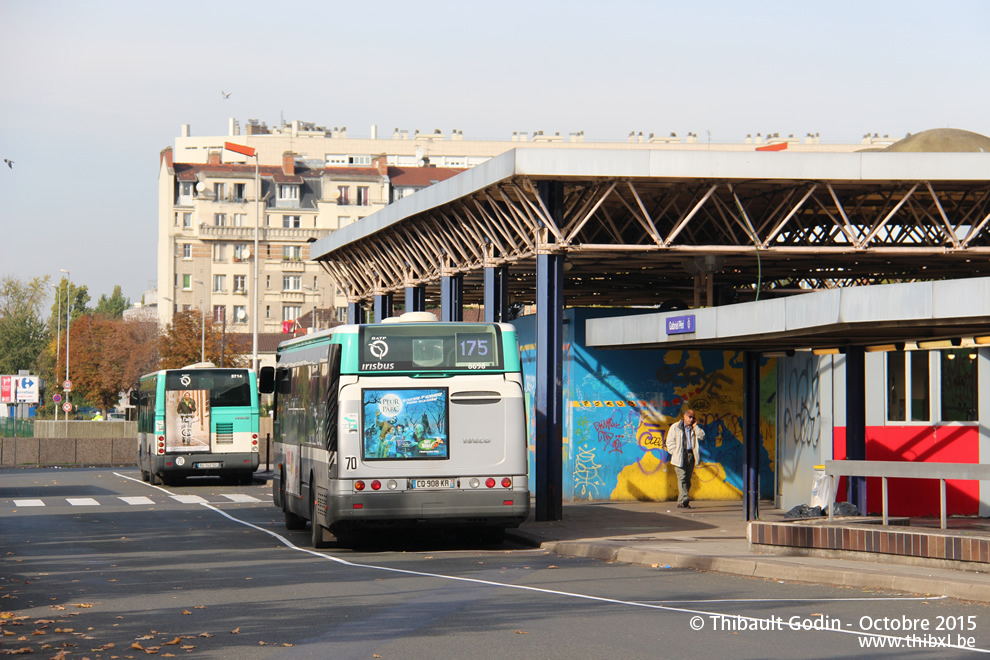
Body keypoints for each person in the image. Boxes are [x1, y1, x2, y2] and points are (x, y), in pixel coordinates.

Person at [664, 408, 705, 509]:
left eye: (693, 417)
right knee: (682, 477)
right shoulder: (675, 427)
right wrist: (674, 452)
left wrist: (696, 427)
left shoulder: (693, 428)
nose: (691, 419)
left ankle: (681, 502)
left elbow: (702, 436)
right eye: (689, 417)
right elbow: (669, 442)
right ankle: (685, 498)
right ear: (684, 417)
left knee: (687, 479)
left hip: (690, 455)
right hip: (679, 455)